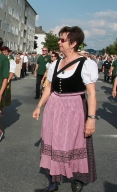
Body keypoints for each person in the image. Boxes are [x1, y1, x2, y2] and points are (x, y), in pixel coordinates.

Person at [32, 26, 97, 192]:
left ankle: (78, 177)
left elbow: (91, 93)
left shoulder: (86, 64)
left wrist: (91, 118)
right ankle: (53, 181)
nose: (59, 42)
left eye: (63, 40)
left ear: (73, 43)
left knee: (75, 141)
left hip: (74, 107)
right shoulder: (55, 64)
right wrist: (39, 106)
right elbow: (49, 88)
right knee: (53, 141)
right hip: (54, 107)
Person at [0, 46, 16, 117]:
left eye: (5, 52)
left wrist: (8, 80)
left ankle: (0, 110)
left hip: (6, 80)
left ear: (8, 53)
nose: (4, 53)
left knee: (3, 95)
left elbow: (11, 72)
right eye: (2, 52)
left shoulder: (11, 61)